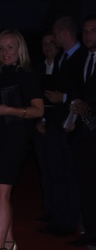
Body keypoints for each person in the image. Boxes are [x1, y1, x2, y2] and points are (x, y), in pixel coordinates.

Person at [0, 30, 44, 250]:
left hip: (15, 138)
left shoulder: (26, 74)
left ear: (20, 50)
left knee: (1, 192)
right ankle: (8, 242)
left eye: (10, 47)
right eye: (1, 48)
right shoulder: (0, 75)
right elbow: (0, 105)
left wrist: (10, 110)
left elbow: (38, 110)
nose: (5, 52)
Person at [38, 15, 85, 237]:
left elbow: (83, 92)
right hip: (57, 123)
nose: (54, 39)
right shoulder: (62, 58)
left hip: (73, 125)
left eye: (55, 34)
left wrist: (64, 98)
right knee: (56, 171)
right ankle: (58, 218)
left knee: (69, 173)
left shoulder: (82, 56)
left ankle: (69, 221)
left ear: (64, 33)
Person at [67, 15, 96, 246]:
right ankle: (90, 231)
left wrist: (90, 107)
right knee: (86, 184)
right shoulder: (82, 60)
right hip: (84, 134)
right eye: (85, 31)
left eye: (93, 30)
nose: (88, 35)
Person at [32, 31, 59, 223]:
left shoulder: (64, 66)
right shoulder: (37, 68)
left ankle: (59, 213)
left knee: (58, 171)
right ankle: (49, 210)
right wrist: (38, 121)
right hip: (39, 125)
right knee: (45, 170)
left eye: (51, 42)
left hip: (57, 126)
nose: (48, 46)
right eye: (44, 43)